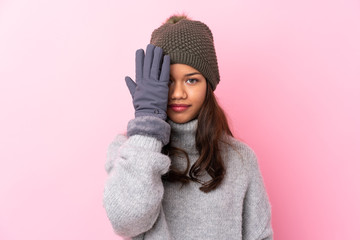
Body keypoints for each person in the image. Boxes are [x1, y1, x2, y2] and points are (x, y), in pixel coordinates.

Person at [103, 14, 273, 240]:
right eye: (168, 81)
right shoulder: (128, 150)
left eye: (191, 80)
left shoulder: (240, 159)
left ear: (208, 85)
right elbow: (127, 222)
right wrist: (147, 129)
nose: (178, 93)